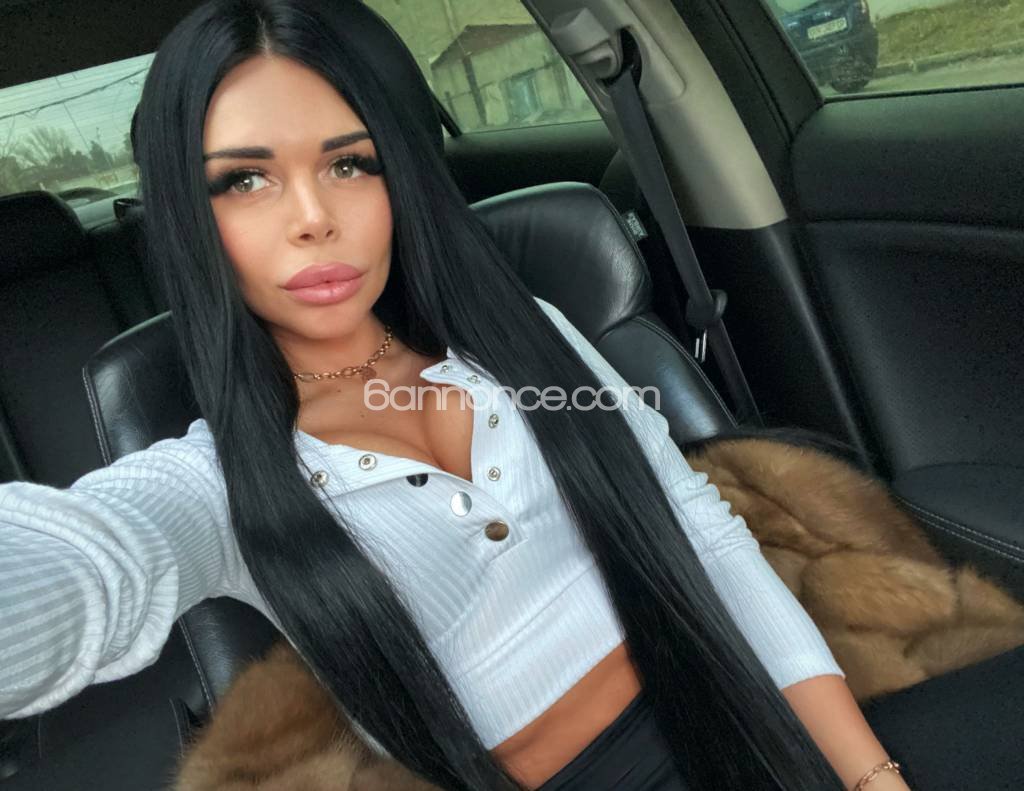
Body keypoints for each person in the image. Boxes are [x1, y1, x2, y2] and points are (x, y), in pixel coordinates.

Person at [0, 1, 910, 789]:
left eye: (349, 163)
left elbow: (701, 534)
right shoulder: (219, 480)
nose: (314, 216)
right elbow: (88, 563)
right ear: (189, 218)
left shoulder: (523, 334)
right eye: (245, 179)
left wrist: (869, 774)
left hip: (739, 709)